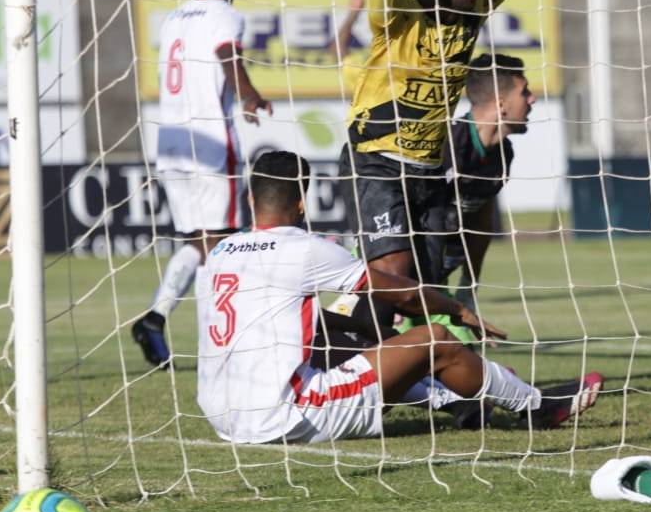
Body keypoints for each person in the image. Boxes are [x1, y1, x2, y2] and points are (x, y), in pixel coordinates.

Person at [336, 0, 608, 341]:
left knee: (425, 290)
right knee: (394, 283)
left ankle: (397, 366)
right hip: (376, 162)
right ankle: (337, 352)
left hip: (429, 169)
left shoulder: (475, 7)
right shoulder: (396, 19)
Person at [195, 151, 603, 445]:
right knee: (435, 340)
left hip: (223, 416)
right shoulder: (304, 248)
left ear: (251, 201)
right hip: (284, 417)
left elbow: (276, 323)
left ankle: (462, 400)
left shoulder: (220, 254)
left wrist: (359, 328)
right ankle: (539, 405)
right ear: (303, 203)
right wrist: (457, 309)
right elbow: (404, 294)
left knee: (353, 340)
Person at [131, 0, 272, 369]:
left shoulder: (175, 16)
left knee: (200, 240)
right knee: (224, 243)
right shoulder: (227, 15)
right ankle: (223, 338)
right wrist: (248, 93)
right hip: (210, 142)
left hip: (170, 142)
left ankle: (155, 319)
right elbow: (226, 52)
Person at [436, 54, 534, 313]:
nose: (532, 99)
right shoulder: (446, 145)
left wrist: (469, 287)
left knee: (456, 348)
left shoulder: (503, 154)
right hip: (401, 273)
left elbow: (482, 220)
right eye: (525, 92)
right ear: (501, 104)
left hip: (440, 270)